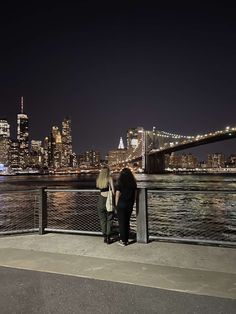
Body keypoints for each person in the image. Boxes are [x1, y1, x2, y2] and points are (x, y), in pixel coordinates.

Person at [115, 168, 137, 246]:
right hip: (129, 204)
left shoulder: (120, 182)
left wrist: (116, 206)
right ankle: (126, 239)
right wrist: (132, 203)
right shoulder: (133, 183)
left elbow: (117, 195)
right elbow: (134, 195)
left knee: (122, 223)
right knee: (127, 222)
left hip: (121, 204)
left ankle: (123, 241)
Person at [96, 166, 115, 244]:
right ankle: (108, 237)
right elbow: (113, 191)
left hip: (100, 200)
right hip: (108, 200)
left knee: (102, 219)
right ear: (108, 172)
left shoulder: (99, 179)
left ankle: (104, 237)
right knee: (109, 219)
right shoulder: (109, 178)